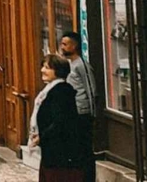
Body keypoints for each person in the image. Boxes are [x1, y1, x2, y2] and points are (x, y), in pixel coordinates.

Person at [30, 53, 82, 182]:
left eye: (47, 68)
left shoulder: (61, 92)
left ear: (58, 70)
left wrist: (42, 137)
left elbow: (60, 122)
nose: (42, 70)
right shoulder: (49, 90)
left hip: (61, 153)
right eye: (43, 66)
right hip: (51, 151)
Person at [60, 32, 96, 182]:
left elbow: (91, 88)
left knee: (84, 148)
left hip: (82, 111)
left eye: (65, 44)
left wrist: (92, 113)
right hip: (72, 111)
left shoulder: (81, 65)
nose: (62, 47)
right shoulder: (68, 64)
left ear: (74, 46)